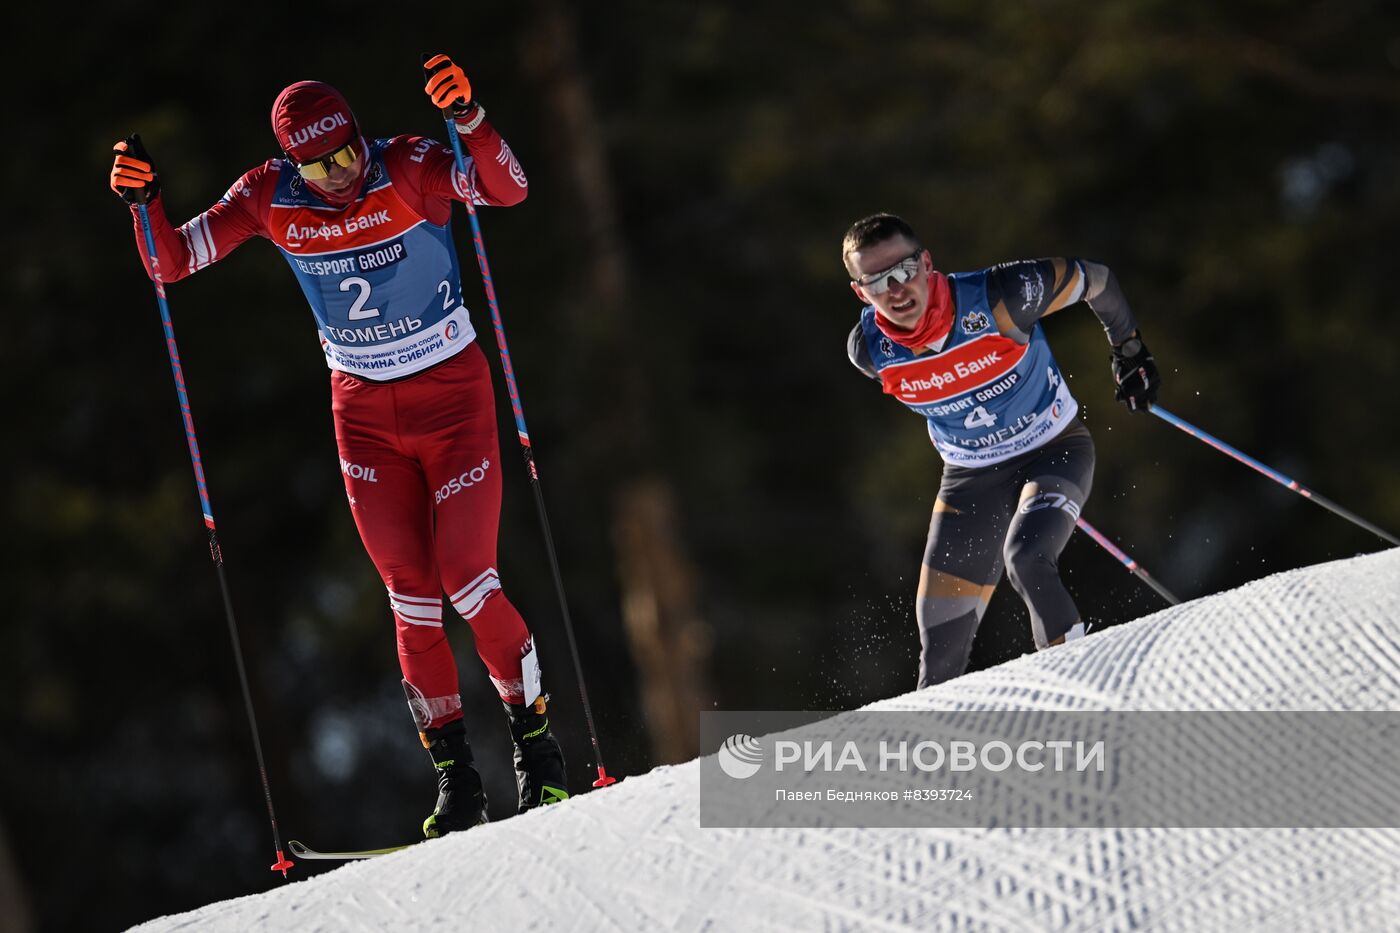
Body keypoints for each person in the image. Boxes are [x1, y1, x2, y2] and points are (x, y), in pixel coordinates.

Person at [110, 55, 568, 835]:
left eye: (348, 152)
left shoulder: (410, 165)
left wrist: (469, 122)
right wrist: (143, 202)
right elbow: (170, 261)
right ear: (292, 162)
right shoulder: (266, 195)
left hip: (452, 398)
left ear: (362, 136)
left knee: (469, 582)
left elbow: (509, 187)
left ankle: (539, 750)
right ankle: (456, 777)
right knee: (412, 600)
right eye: (319, 164)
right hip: (362, 414)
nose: (340, 174)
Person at [843, 213, 1161, 688]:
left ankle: (1087, 697)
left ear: (926, 263)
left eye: (905, 270)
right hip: (971, 478)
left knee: (1027, 557)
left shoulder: (1003, 297)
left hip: (1053, 448)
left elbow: (1098, 280)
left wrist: (1129, 349)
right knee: (939, 652)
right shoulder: (868, 351)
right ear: (860, 292)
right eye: (878, 281)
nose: (897, 289)